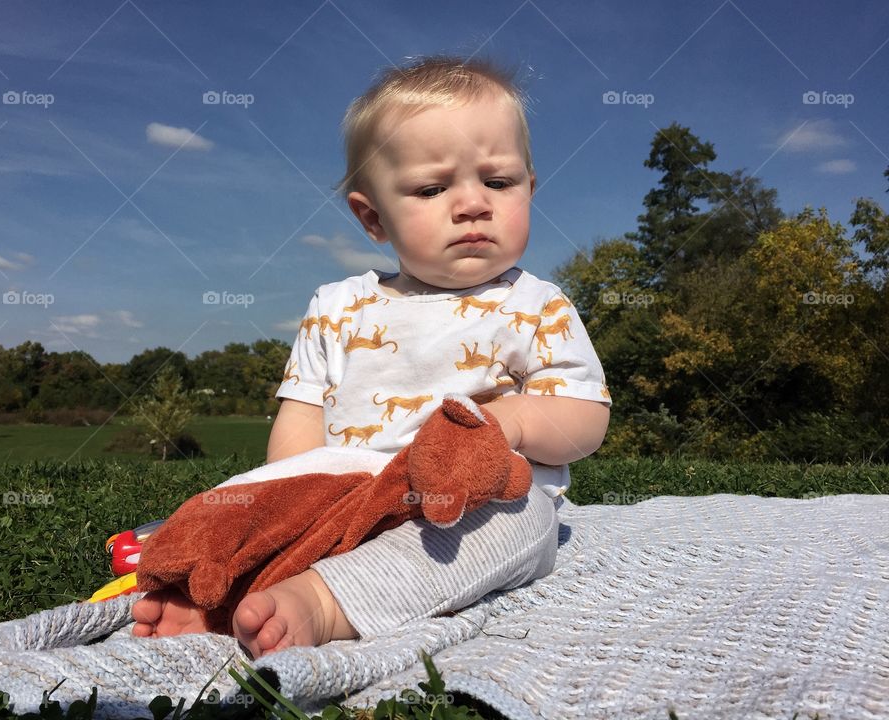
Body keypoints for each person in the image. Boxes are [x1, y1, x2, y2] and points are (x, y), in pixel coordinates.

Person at [131, 55, 611, 658]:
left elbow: (584, 419)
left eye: (498, 182)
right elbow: (300, 419)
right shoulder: (337, 306)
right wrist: (287, 496)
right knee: (242, 507)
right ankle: (219, 591)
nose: (472, 204)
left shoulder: (537, 304)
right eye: (432, 188)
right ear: (372, 217)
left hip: (470, 504)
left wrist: (511, 420)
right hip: (345, 498)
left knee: (527, 525)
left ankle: (327, 603)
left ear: (530, 188)